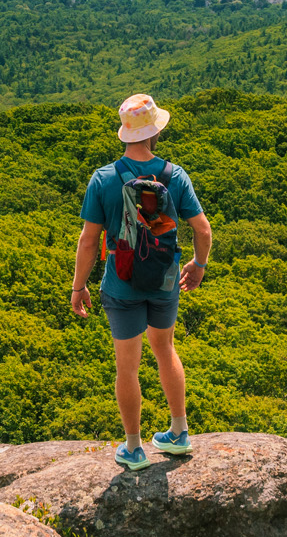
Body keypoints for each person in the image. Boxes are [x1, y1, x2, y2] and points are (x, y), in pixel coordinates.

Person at [71, 93, 212, 470]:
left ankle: (133, 448)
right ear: (155, 133)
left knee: (127, 367)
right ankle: (179, 433)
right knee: (165, 350)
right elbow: (202, 228)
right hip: (165, 280)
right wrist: (199, 265)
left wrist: (78, 286)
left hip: (122, 283)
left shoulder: (103, 179)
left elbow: (88, 240)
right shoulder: (174, 175)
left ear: (125, 134)